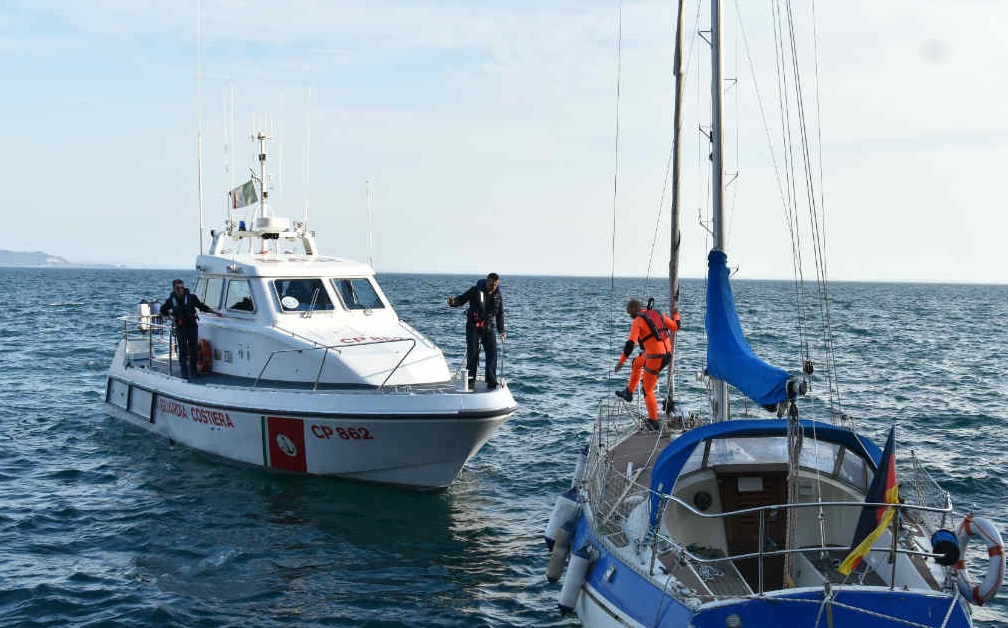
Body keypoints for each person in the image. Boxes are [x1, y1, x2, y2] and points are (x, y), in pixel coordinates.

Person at [614, 298, 681, 428]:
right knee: (637, 362)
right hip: (667, 355)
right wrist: (676, 314)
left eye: (629, 315)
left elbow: (630, 345)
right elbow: (676, 326)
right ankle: (629, 392)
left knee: (647, 389)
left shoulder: (637, 321)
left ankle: (653, 420)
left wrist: (621, 363)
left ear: (632, 313)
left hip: (655, 358)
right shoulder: (658, 314)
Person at [448, 273, 505, 390]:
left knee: (492, 353)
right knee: (472, 353)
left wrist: (501, 330)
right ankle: (470, 381)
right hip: (473, 326)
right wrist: (453, 302)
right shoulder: (475, 290)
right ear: (486, 282)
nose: (492, 288)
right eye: (491, 285)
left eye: (495, 286)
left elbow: (500, 314)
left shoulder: (498, 295)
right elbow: (462, 299)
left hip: (488, 327)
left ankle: (491, 380)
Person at [160, 279, 221, 379]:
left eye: (181, 287)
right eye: (177, 288)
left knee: (194, 350)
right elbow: (163, 310)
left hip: (192, 326)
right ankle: (184, 373)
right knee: (183, 351)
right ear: (174, 289)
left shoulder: (191, 297)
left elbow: (201, 306)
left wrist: (214, 312)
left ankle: (194, 372)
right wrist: (171, 316)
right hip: (180, 327)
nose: (180, 290)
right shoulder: (171, 300)